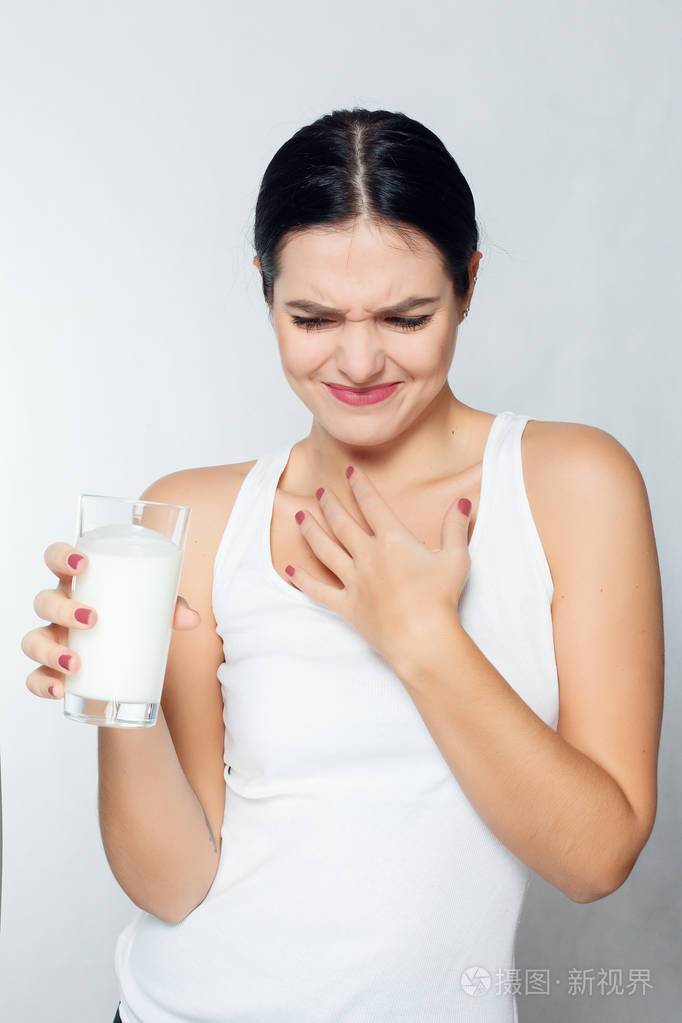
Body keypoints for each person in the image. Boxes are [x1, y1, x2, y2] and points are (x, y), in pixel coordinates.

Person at [22, 107, 664, 1022]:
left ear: (469, 283)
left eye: (406, 316)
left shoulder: (571, 484)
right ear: (265, 289)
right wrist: (115, 697)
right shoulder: (200, 514)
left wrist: (420, 636)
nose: (358, 361)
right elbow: (172, 886)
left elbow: (597, 857)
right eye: (312, 317)